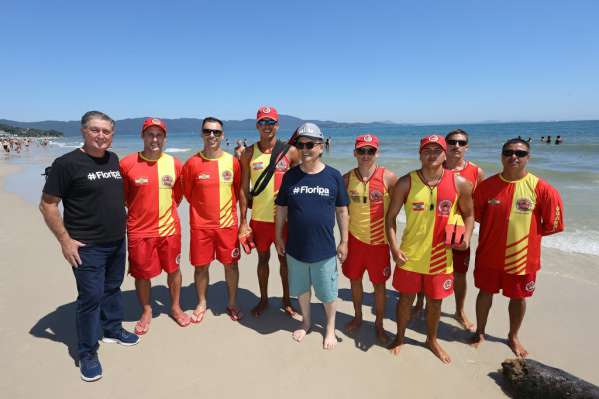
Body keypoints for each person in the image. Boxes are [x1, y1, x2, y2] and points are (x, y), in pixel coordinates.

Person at [39, 111, 139, 382]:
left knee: (112, 289)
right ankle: (87, 352)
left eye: (106, 131)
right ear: (83, 131)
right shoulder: (66, 163)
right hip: (87, 245)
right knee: (90, 298)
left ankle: (112, 330)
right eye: (95, 130)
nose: (101, 136)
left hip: (117, 241)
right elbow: (47, 204)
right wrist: (64, 240)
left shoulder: (113, 159)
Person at [470, 138, 564, 357]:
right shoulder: (486, 187)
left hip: (523, 258)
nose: (514, 156)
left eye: (520, 154)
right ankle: (480, 332)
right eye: (509, 152)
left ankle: (513, 336)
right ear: (502, 156)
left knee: (518, 297)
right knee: (485, 293)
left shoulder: (543, 189)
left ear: (528, 158)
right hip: (489, 255)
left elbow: (551, 225)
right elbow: (477, 216)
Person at [385, 135, 474, 364]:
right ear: (420, 153)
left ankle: (431, 340)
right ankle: (400, 336)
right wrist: (395, 249)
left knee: (436, 302)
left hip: (441, 257)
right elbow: (390, 218)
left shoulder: (460, 183)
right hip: (410, 255)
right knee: (405, 299)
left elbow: (469, 213)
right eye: (427, 150)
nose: (432, 154)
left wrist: (466, 236)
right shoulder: (406, 182)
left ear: (445, 154)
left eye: (437, 150)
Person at [275, 122, 349, 349]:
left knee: (327, 293)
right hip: (296, 248)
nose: (304, 149)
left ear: (321, 146)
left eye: (309, 144)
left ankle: (329, 328)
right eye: (300, 144)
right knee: (302, 290)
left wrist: (345, 241)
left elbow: (342, 210)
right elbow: (282, 209)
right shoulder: (290, 177)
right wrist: (278, 236)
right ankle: (307, 321)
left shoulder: (333, 176)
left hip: (324, 250)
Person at [119, 117, 190, 335]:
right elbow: (124, 197)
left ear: (165, 138)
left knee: (174, 269)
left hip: (169, 229)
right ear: (142, 136)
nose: (154, 139)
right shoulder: (127, 164)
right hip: (139, 231)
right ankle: (147, 310)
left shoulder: (175, 164)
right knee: (142, 274)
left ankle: (176, 307)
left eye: (159, 135)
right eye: (150, 134)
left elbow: (177, 196)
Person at [239, 106, 300, 317]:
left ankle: (286, 300)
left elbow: (300, 184)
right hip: (259, 220)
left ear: (277, 125)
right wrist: (243, 221)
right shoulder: (248, 153)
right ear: (257, 125)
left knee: (285, 261)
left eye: (271, 122)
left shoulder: (290, 152)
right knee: (262, 260)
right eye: (263, 122)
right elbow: (243, 189)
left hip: (284, 221)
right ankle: (264, 300)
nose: (267, 126)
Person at [182, 117, 243, 323]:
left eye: (216, 132)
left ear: (222, 135)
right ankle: (201, 302)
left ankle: (232, 303)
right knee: (201, 267)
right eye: (208, 131)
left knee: (231, 266)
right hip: (201, 227)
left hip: (227, 226)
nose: (212, 136)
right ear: (202, 133)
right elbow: (189, 194)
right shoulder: (192, 163)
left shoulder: (232, 162)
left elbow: (237, 192)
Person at [342, 134, 397, 343]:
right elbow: (342, 212)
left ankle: (379, 324)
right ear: (355, 153)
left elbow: (396, 212)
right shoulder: (346, 179)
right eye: (362, 151)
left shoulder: (389, 178)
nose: (366, 155)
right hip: (355, 241)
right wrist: (343, 241)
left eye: (370, 151)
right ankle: (358, 317)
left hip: (379, 244)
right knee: (355, 281)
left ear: (377, 152)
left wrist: (395, 245)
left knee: (379, 286)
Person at [442, 128, 485, 331]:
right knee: (428, 269)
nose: (456, 145)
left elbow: (479, 205)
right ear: (445, 144)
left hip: (460, 231)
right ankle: (420, 304)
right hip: (437, 229)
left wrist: (468, 234)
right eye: (452, 141)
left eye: (460, 142)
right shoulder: (435, 166)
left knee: (460, 273)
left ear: (466, 147)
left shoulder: (476, 172)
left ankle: (459, 311)